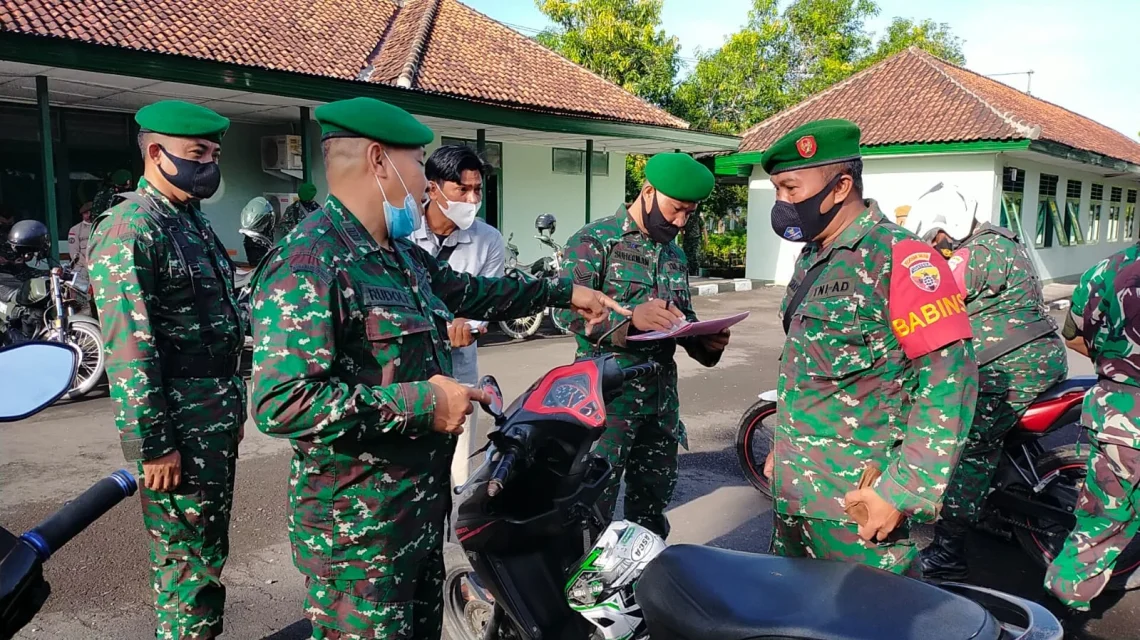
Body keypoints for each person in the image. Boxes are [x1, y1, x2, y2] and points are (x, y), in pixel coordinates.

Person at [248, 96, 628, 640]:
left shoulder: (400, 255)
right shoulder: (310, 261)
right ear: (378, 161)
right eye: (416, 163)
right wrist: (426, 402)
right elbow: (281, 402)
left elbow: (476, 291)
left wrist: (565, 292)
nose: (425, 186)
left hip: (419, 518)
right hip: (359, 536)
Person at [758, 119, 978, 574]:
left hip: (859, 508)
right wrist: (784, 445)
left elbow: (950, 381)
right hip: (796, 498)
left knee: (869, 611)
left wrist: (902, 492)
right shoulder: (813, 256)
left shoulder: (901, 257)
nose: (782, 203)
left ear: (840, 187)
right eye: (777, 189)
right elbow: (809, 369)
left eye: (791, 188)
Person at [88, 100, 244, 640]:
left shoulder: (188, 219)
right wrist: (152, 445)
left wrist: (232, 407)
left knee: (206, 551)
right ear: (156, 153)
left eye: (214, 155)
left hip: (212, 414)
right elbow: (129, 349)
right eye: (197, 153)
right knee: (186, 563)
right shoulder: (131, 227)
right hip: (177, 425)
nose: (209, 165)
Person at [555, 152, 729, 539]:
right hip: (607, 401)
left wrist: (706, 340)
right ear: (648, 192)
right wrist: (631, 319)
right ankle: (580, 576)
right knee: (589, 507)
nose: (680, 222)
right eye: (676, 209)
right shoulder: (595, 241)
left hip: (660, 404)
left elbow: (681, 318)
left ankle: (645, 573)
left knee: (651, 508)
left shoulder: (674, 254)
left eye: (689, 214)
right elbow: (565, 314)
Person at [903, 182, 1068, 580]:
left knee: (970, 447)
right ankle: (995, 512)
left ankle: (948, 554)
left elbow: (932, 298)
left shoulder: (976, 254)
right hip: (1030, 359)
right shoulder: (1000, 242)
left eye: (937, 237)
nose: (937, 247)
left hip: (1013, 366)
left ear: (951, 225)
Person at [1044, 239, 1140, 613]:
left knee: (1100, 523)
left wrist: (1117, 364)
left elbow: (1073, 337)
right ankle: (1055, 614)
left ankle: (1061, 603)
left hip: (1117, 412)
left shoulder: (1104, 270)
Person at [411, 144, 506, 487]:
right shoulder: (403, 231)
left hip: (460, 369)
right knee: (410, 469)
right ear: (433, 188)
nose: (472, 199)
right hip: (408, 372)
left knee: (458, 471)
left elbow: (489, 301)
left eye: (477, 190)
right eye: (462, 189)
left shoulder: (488, 240)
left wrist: (471, 325)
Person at [67, 202, 93, 280]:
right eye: (86, 213)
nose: (88, 215)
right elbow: (74, 253)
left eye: (90, 212)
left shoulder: (101, 227)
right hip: (82, 267)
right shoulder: (75, 229)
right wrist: (88, 265)